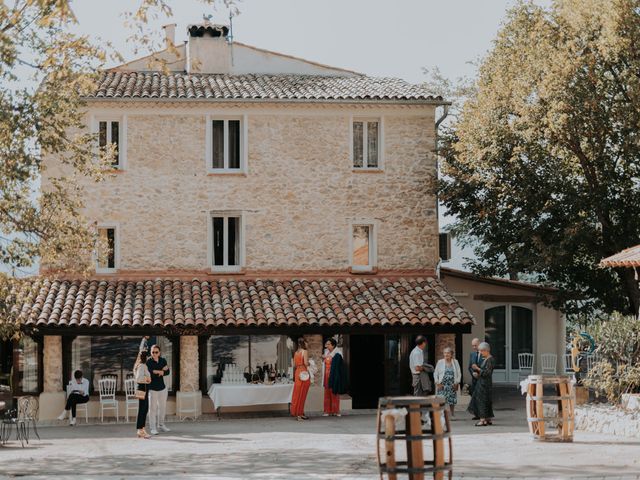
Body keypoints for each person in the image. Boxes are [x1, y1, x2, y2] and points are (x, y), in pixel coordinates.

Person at [467, 342, 495, 426]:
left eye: (481, 351)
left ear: (486, 350)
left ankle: (482, 420)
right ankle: (487, 418)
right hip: (482, 382)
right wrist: (478, 374)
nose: (480, 353)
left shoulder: (490, 359)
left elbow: (487, 373)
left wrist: (477, 368)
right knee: (486, 400)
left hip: (484, 384)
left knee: (482, 401)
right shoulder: (486, 358)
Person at [146, 344, 170, 435]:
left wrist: (159, 371)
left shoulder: (163, 360)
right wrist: (160, 371)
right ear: (151, 352)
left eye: (156, 352)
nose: (154, 354)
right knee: (152, 409)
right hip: (152, 389)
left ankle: (161, 425)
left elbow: (168, 371)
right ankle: (153, 428)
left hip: (162, 388)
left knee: (162, 408)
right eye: (153, 352)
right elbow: (149, 373)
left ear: (159, 353)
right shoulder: (148, 362)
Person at [322, 338, 348, 417]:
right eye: (326, 344)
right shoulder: (326, 353)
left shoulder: (337, 353)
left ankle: (336, 410)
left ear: (333, 345)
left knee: (334, 393)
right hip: (326, 375)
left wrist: (326, 358)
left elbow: (338, 366)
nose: (327, 346)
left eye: (329, 344)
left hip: (334, 375)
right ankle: (327, 410)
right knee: (327, 393)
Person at [434, 347, 462, 416]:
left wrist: (457, 382)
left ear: (451, 354)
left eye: (448, 353)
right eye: (445, 353)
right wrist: (437, 382)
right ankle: (441, 414)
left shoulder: (455, 362)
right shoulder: (440, 362)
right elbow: (435, 373)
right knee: (441, 399)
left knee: (452, 400)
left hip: (452, 384)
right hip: (442, 384)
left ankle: (452, 413)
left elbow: (459, 373)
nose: (446, 354)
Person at [290, 338, 311, 421]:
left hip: (297, 372)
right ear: (304, 343)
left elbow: (294, 365)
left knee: (297, 393)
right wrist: (310, 363)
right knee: (302, 394)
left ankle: (300, 413)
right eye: (306, 343)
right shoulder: (304, 351)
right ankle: (299, 414)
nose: (307, 344)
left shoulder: (296, 353)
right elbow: (306, 363)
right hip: (303, 372)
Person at [134, 350, 152, 438]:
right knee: (142, 409)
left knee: (145, 409)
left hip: (144, 389)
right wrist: (147, 379)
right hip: (142, 389)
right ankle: (140, 430)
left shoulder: (142, 365)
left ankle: (142, 429)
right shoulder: (142, 366)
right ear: (146, 357)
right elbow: (138, 378)